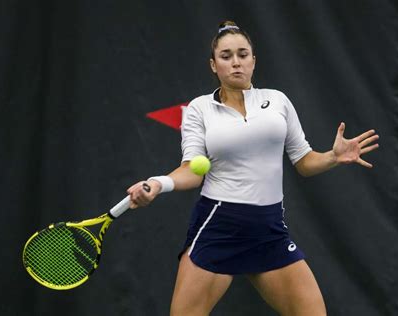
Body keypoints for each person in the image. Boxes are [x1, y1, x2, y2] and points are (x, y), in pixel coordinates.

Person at [126, 21, 379, 316]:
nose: (236, 62)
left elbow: (304, 162)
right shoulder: (199, 109)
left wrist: (333, 157)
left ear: (253, 60)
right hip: (219, 228)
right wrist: (158, 182)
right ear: (213, 64)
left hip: (268, 230)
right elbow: (192, 171)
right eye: (226, 55)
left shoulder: (278, 102)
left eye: (243, 54)